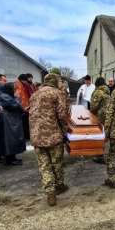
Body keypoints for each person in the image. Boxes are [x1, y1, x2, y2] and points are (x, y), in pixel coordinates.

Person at [29, 73, 70, 206]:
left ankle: (50, 193)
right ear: (55, 82)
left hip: (37, 137)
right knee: (57, 163)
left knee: (44, 166)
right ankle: (59, 186)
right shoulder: (57, 94)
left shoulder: (34, 95)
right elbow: (63, 116)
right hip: (53, 136)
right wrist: (65, 134)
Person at [0, 82, 26, 166]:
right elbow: (16, 106)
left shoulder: (7, 96)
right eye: (15, 89)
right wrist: (16, 98)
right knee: (9, 140)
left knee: (13, 140)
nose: (16, 91)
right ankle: (9, 159)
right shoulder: (3, 96)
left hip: (11, 121)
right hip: (8, 122)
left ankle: (12, 157)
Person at [89, 77, 112, 164]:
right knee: (103, 135)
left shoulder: (98, 92)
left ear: (96, 85)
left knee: (99, 136)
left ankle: (101, 156)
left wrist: (90, 114)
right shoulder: (107, 92)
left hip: (99, 117)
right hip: (107, 116)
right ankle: (102, 154)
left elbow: (94, 106)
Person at [15, 74, 31, 140]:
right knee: (23, 123)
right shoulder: (16, 84)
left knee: (25, 122)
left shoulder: (22, 84)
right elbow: (18, 96)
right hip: (21, 107)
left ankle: (26, 136)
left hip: (24, 106)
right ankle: (24, 136)